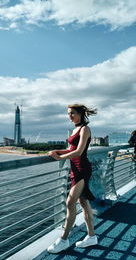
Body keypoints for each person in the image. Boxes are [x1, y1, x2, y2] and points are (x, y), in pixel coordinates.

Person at [47, 104, 98, 254]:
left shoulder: (85, 129)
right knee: (83, 203)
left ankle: (63, 240)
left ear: (81, 114)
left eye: (72, 113)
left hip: (82, 169)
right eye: (68, 113)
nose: (70, 116)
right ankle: (91, 236)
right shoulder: (75, 129)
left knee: (70, 202)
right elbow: (71, 150)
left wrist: (60, 157)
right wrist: (55, 151)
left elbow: (79, 151)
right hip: (74, 169)